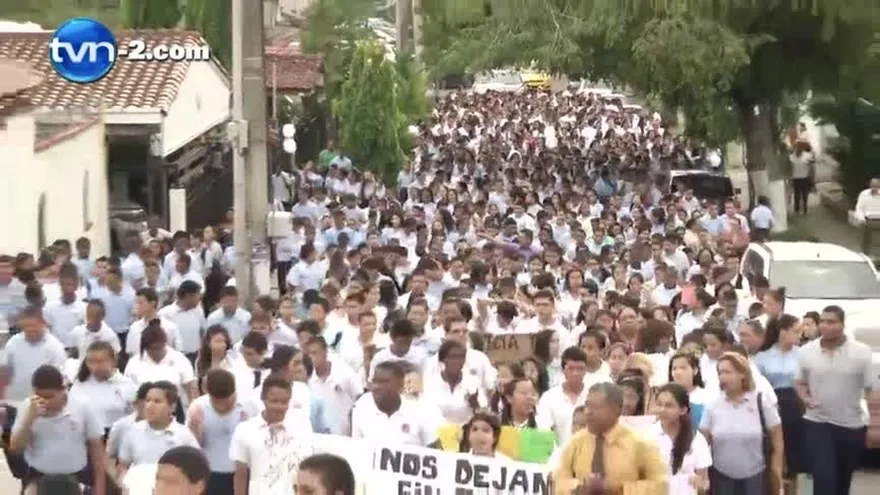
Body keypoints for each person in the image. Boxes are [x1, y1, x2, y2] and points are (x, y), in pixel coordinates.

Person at [795, 305, 873, 495]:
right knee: (824, 477)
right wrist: (805, 398)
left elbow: (870, 389)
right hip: (817, 422)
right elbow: (799, 382)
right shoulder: (807, 351)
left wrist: (873, 424)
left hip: (851, 424)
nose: (825, 326)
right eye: (822, 321)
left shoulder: (861, 352)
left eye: (831, 322)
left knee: (841, 482)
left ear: (842, 325)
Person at [553, 382, 668, 494]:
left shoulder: (640, 444)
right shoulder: (576, 442)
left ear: (617, 409)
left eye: (596, 407)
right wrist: (580, 488)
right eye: (587, 405)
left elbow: (661, 486)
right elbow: (557, 482)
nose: (588, 412)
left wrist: (618, 489)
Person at [9, 365, 106, 493]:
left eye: (50, 396)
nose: (45, 401)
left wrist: (100, 488)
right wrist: (29, 419)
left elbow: (96, 449)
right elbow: (15, 448)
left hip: (76, 477)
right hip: (38, 477)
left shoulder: (82, 407)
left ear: (63, 390)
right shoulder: (27, 407)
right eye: (39, 396)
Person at [699, 352, 783, 494]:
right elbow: (701, 442)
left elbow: (777, 441)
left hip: (757, 475)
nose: (722, 377)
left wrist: (776, 473)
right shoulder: (712, 405)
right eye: (720, 373)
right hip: (721, 476)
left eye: (728, 372)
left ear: (743, 374)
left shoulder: (762, 402)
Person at [230, 374, 314, 495]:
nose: (279, 407)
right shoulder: (245, 430)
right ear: (263, 399)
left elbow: (309, 469)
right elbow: (240, 474)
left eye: (284, 402)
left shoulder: (302, 426)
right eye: (274, 401)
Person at [187, 369, 247, 495]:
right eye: (216, 402)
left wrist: (247, 427)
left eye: (226, 401)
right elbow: (194, 447)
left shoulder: (248, 406)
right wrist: (195, 427)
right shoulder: (197, 407)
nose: (221, 406)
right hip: (210, 473)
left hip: (242, 473)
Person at [649, 383, 711, 495]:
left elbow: (704, 482)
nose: (662, 410)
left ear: (683, 410)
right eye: (659, 404)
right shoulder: (646, 435)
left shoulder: (696, 439)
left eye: (669, 406)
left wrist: (700, 484)